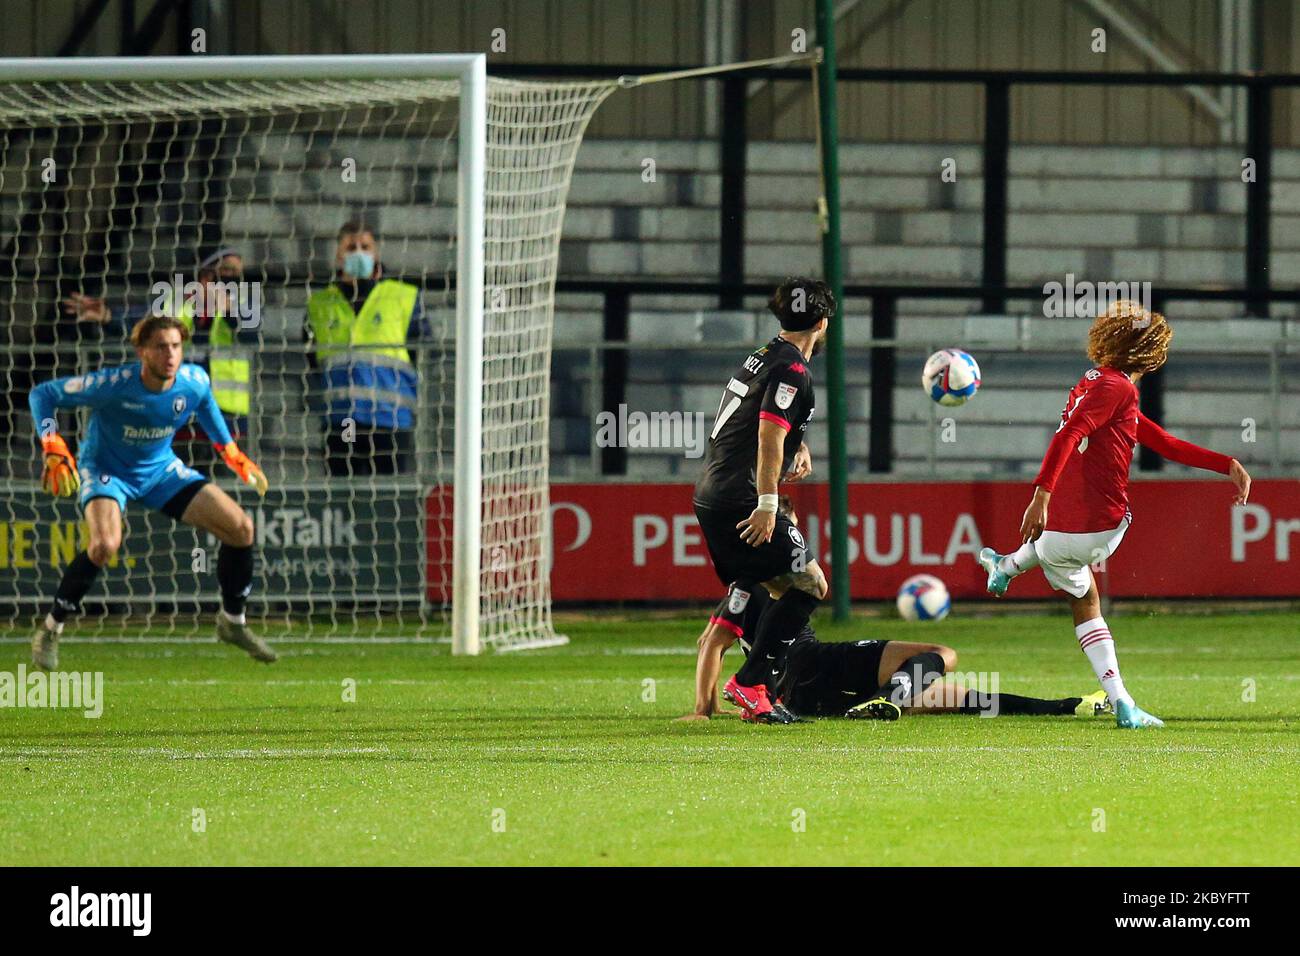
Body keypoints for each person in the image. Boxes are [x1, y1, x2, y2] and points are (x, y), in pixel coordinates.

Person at [977, 300, 1252, 729]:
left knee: (1059, 563)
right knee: (1084, 593)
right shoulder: (1119, 388)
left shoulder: (1093, 383)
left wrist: (1224, 464)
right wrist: (1041, 494)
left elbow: (1156, 438)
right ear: (1151, 352)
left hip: (1065, 529)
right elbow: (1072, 434)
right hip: (1102, 527)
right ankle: (1123, 704)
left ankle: (1006, 567)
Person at [680, 499, 1105, 722]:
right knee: (942, 655)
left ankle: (1069, 706)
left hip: (805, 695)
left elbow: (711, 641)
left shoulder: (756, 580)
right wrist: (703, 709)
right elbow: (712, 642)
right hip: (814, 664)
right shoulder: (753, 581)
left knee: (957, 699)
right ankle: (889, 699)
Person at [28, 315, 277, 670]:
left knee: (241, 529)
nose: (171, 354)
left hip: (160, 471)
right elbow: (43, 394)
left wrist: (231, 452)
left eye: (176, 346)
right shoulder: (114, 384)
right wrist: (51, 441)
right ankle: (51, 629)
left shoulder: (193, 381)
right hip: (106, 470)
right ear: (142, 351)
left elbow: (206, 403)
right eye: (161, 347)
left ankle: (232, 623)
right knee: (103, 546)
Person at [692, 277, 828, 724]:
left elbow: (758, 420)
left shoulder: (762, 356)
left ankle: (759, 691)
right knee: (811, 584)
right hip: (740, 497)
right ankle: (751, 683)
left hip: (712, 493)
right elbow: (769, 431)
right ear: (823, 322)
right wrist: (768, 502)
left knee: (775, 586)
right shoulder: (792, 369)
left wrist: (798, 447)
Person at [303, 221, 426, 476]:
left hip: (390, 419)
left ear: (376, 253)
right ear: (338, 255)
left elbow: (421, 351)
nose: (357, 252)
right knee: (340, 499)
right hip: (340, 419)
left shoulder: (404, 297)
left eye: (364, 246)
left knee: (389, 499)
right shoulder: (319, 303)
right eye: (350, 247)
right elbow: (312, 357)